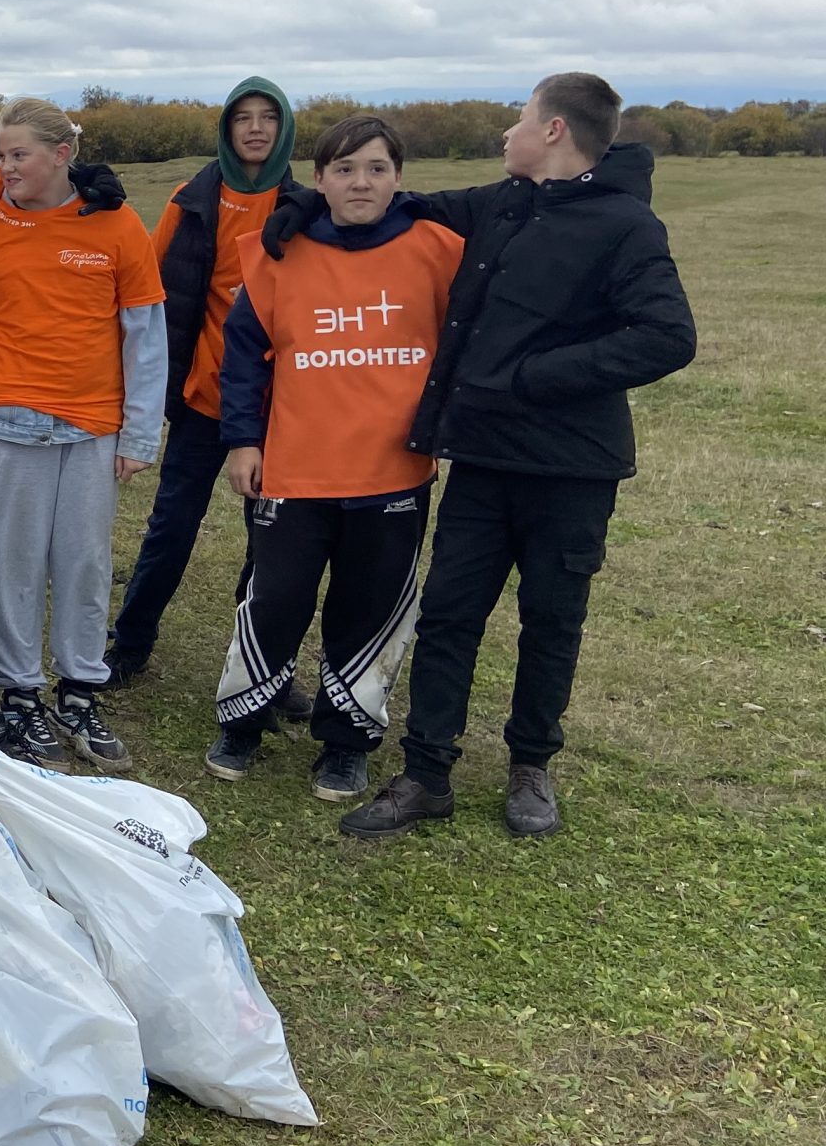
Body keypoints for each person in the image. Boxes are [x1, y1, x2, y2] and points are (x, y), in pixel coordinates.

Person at [325, 74, 696, 840]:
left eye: (519, 118)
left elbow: (667, 336)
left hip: (572, 469)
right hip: (484, 460)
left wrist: (535, 377)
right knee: (450, 614)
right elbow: (410, 205)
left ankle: (531, 765)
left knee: (551, 620)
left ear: (555, 130)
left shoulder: (625, 225)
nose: (507, 133)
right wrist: (308, 206)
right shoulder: (505, 204)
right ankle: (426, 773)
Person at [202, 115, 464, 800]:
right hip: (296, 465)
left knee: (371, 606)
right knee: (274, 598)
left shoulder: (441, 248)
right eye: (344, 169)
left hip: (394, 472)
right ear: (318, 180)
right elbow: (242, 360)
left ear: (398, 177)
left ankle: (347, 739)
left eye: (377, 168)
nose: (361, 182)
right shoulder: (276, 251)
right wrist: (243, 439)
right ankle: (242, 720)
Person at [0, 96, 165, 771]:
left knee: (82, 562)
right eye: (0, 155)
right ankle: (19, 693)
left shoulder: (115, 225)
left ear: (61, 155)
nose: (6, 167)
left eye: (19, 154)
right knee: (10, 563)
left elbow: (145, 335)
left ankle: (81, 689)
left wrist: (139, 434)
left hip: (88, 426)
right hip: (3, 421)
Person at [104, 77, 296, 693]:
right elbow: (146, 283)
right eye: (244, 118)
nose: (257, 128)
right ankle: (129, 645)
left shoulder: (306, 206)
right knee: (171, 527)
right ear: (227, 128)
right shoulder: (194, 199)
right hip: (202, 399)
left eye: (269, 117)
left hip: (277, 409)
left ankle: (264, 664)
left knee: (271, 543)